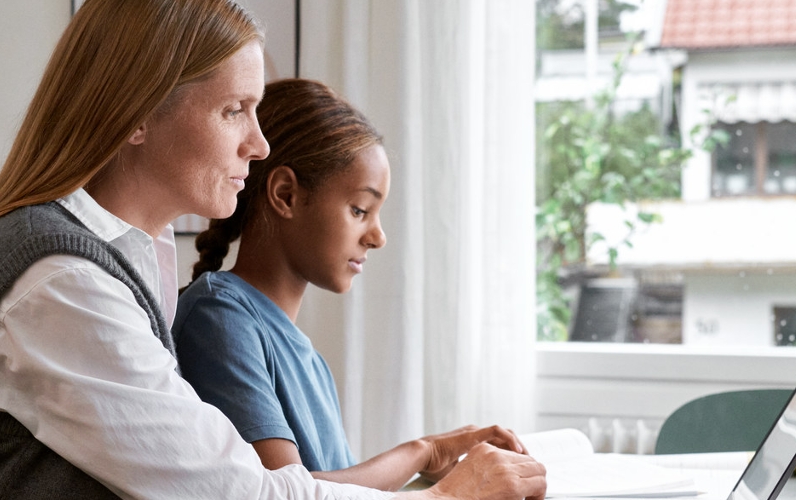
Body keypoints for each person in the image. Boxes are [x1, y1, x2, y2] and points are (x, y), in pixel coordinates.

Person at [0, 1, 546, 499]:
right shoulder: (61, 285)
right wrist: (449, 493)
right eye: (233, 110)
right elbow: (248, 492)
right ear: (136, 115)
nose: (258, 144)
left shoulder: (128, 260)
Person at [172, 77, 537, 492]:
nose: (377, 236)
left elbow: (335, 492)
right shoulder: (219, 317)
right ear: (286, 194)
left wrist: (431, 462)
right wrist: (421, 451)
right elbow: (283, 490)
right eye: (360, 209)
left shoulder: (310, 361)